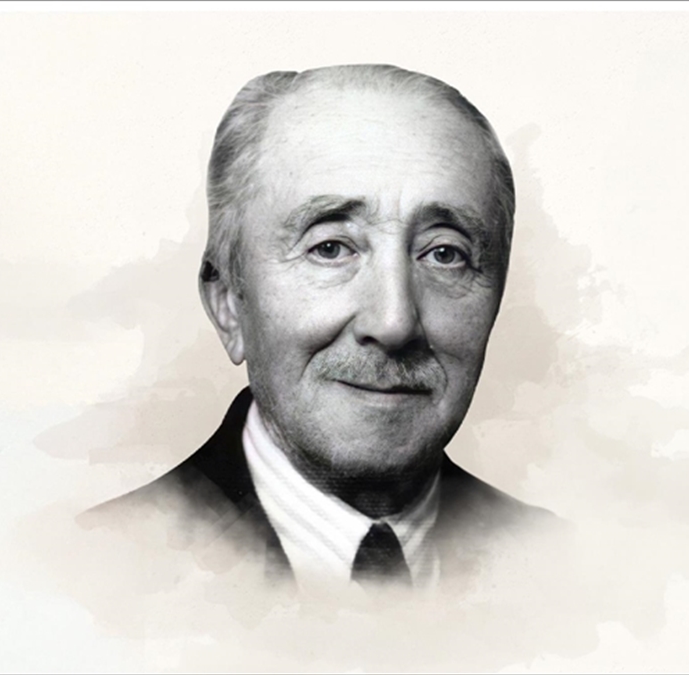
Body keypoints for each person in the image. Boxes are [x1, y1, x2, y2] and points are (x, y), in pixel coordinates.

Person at [79, 64, 562, 595]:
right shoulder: (86, 579)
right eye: (330, 248)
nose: (394, 322)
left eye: (444, 253)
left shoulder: (576, 573)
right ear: (228, 302)